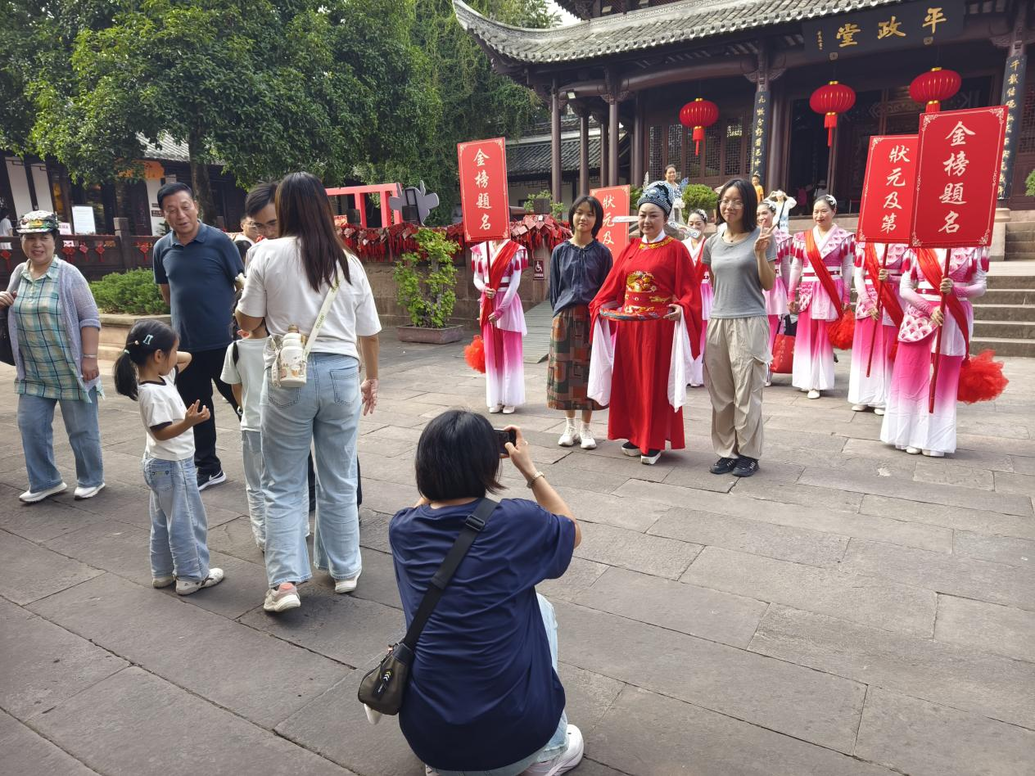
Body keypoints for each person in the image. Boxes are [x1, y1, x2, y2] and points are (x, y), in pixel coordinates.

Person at [390, 411, 583, 776]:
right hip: (517, 742)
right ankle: (548, 754)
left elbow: (422, 506)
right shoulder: (517, 520)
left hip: (432, 743)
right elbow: (572, 532)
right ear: (488, 464)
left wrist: (438, 478)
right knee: (539, 609)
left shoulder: (402, 529)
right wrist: (530, 471)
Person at [236, 172, 381, 613]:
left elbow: (248, 323)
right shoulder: (347, 261)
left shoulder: (266, 253)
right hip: (342, 374)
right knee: (339, 475)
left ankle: (284, 584)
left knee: (283, 481)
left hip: (289, 373)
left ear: (284, 209)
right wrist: (372, 378)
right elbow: (369, 332)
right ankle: (345, 568)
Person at [588, 184, 702, 465]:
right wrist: (600, 305)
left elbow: (690, 293)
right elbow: (613, 286)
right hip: (629, 328)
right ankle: (634, 433)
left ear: (665, 218)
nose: (646, 221)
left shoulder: (675, 250)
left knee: (653, 383)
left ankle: (652, 439)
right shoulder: (631, 247)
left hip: (657, 328)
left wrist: (682, 308)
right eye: (642, 215)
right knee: (630, 382)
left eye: (653, 215)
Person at [113, 319, 225, 595]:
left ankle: (162, 572)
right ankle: (192, 575)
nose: (178, 355)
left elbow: (187, 358)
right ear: (158, 356)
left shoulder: (162, 378)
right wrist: (189, 422)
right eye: (172, 351)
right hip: (173, 465)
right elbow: (161, 433)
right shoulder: (152, 393)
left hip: (160, 464)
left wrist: (169, 349)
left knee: (164, 521)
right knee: (187, 521)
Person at [0, 210, 104, 503]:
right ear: (21, 242)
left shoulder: (68, 274)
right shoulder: (19, 273)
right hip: (33, 370)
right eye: (30, 238)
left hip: (70, 368)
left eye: (43, 237)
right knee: (30, 426)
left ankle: (91, 479)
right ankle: (46, 481)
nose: (37, 244)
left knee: (81, 430)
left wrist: (89, 358)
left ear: (54, 240)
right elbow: (11, 309)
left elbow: (89, 318)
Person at [152, 182, 244, 490]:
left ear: (196, 206)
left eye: (185, 207)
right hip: (186, 348)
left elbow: (241, 286)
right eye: (172, 210)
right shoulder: (162, 248)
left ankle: (265, 458)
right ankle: (208, 467)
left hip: (224, 343)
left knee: (243, 404)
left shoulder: (219, 241)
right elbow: (167, 293)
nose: (180, 215)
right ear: (164, 214)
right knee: (196, 410)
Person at [881, 247, 987, 457]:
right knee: (911, 374)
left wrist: (957, 291)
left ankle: (934, 439)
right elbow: (905, 288)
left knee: (942, 378)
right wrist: (928, 309)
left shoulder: (975, 249)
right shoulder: (916, 249)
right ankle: (907, 435)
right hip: (918, 316)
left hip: (953, 314)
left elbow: (981, 286)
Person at [702, 180, 777, 478]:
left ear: (748, 204)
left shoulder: (762, 237)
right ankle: (727, 452)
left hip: (750, 321)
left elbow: (768, 284)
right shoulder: (712, 243)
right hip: (719, 321)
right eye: (725, 200)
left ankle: (748, 454)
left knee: (747, 391)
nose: (729, 206)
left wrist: (759, 254)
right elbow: (715, 283)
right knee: (721, 393)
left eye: (737, 201)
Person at [548, 195, 612, 449]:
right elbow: (555, 291)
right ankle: (569, 427)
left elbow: (607, 289)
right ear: (572, 215)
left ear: (597, 220)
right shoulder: (559, 251)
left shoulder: (603, 253)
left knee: (588, 373)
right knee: (564, 375)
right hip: (564, 319)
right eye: (579, 212)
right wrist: (560, 314)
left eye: (590, 214)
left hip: (591, 319)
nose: (583, 218)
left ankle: (586, 429)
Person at [786, 195, 854, 399]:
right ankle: (805, 379)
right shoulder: (802, 238)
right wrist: (791, 293)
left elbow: (847, 267)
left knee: (824, 335)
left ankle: (818, 382)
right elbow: (796, 266)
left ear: (834, 212)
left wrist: (846, 296)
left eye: (824, 211)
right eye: (816, 211)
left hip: (831, 288)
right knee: (806, 334)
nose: (819, 215)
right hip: (808, 290)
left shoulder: (844, 237)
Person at [220, 319, 269, 550]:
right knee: (292, 481)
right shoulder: (281, 344)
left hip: (253, 423)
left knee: (255, 483)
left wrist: (244, 408)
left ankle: (264, 537)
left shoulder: (236, 349)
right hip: (283, 423)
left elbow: (235, 386)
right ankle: (298, 529)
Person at [848, 242, 907, 415]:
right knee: (865, 350)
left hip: (892, 302)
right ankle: (861, 396)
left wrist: (891, 278)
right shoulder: (864, 245)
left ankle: (882, 398)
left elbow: (912, 278)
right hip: (868, 304)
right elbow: (858, 275)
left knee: (885, 350)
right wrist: (867, 302)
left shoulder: (906, 246)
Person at [473, 237, 528, 414]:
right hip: (488, 301)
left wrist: (501, 310)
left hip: (508, 302)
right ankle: (496, 398)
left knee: (510, 353)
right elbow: (477, 278)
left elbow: (515, 282)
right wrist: (484, 289)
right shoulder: (480, 250)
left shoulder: (515, 250)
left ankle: (510, 399)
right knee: (493, 353)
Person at [756, 199, 792, 386]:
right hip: (756, 285)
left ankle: (768, 368)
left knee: (772, 329)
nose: (761, 217)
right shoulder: (752, 235)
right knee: (756, 329)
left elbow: (786, 266)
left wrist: (789, 292)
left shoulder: (783, 238)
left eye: (765, 213)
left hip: (774, 285)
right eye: (758, 214)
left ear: (773, 214)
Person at [681, 208, 709, 387]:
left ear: (705, 225)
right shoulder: (681, 245)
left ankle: (698, 375)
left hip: (705, 291)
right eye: (691, 223)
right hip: (686, 294)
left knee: (702, 334)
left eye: (698, 223)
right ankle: (685, 374)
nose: (694, 227)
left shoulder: (709, 244)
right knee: (686, 332)